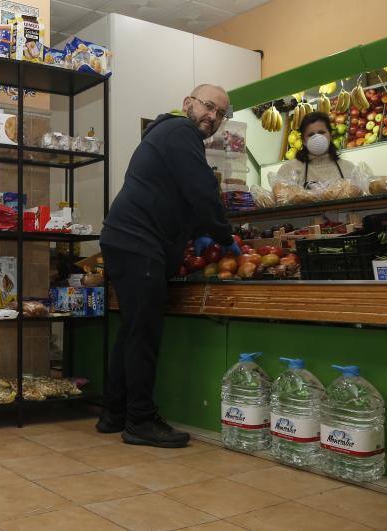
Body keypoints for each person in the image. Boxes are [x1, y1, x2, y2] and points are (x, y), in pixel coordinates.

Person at [97, 84, 240, 448]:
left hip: (125, 239)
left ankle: (114, 413)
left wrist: (196, 233)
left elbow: (177, 198)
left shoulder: (168, 133)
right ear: (188, 103)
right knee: (144, 334)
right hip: (138, 242)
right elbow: (202, 192)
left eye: (221, 113)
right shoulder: (181, 131)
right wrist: (224, 237)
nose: (213, 116)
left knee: (132, 331)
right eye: (208, 106)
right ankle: (140, 421)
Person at [277, 111, 358, 189]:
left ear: (330, 135)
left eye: (321, 132)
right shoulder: (289, 169)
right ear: (304, 141)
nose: (317, 138)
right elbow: (282, 197)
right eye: (311, 134)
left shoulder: (349, 168)